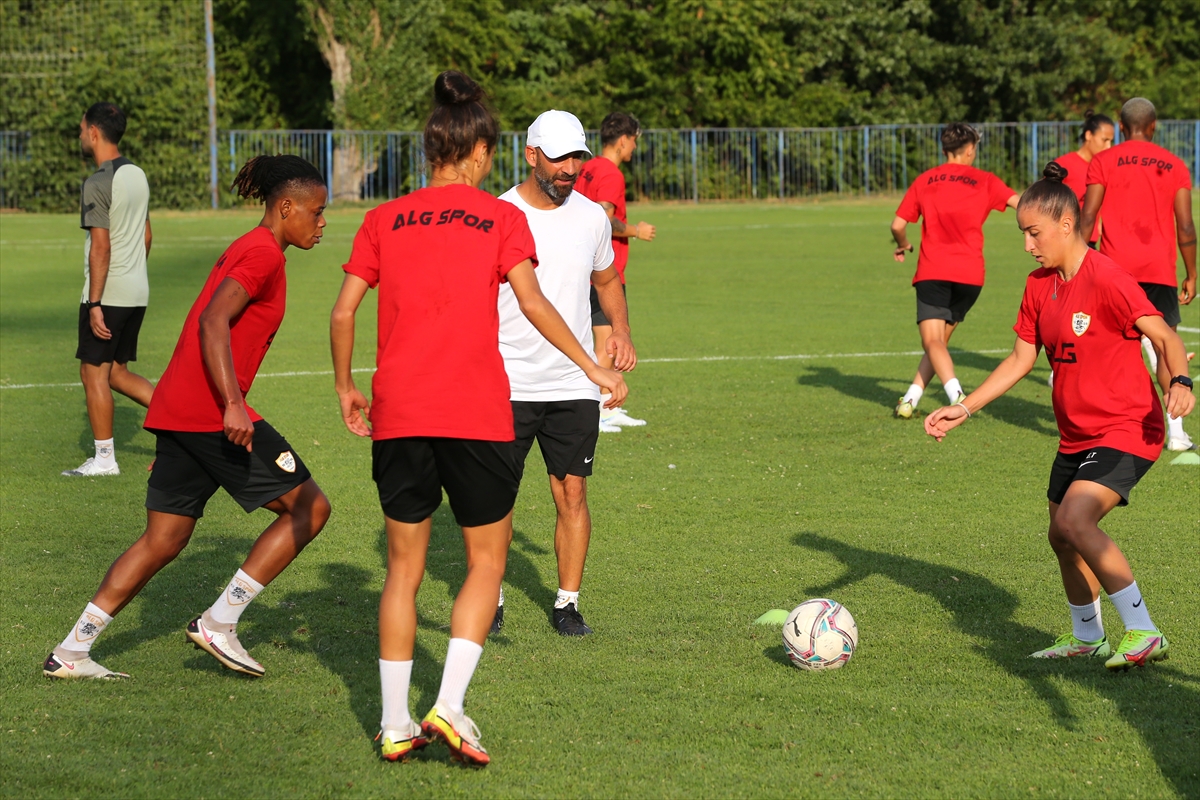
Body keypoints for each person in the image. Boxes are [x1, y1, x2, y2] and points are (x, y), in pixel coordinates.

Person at [330, 72, 627, 767]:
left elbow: (344, 310)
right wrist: (593, 366)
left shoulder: (383, 219)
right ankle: (451, 704)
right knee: (488, 561)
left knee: (402, 571)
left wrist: (347, 386)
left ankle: (395, 722)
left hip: (398, 411)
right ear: (485, 150)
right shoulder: (501, 218)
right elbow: (535, 305)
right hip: (475, 409)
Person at [44, 155, 332, 681]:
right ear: (286, 207)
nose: (322, 222)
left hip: (177, 408)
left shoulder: (253, 245)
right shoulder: (263, 254)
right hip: (207, 414)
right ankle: (220, 623)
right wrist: (232, 402)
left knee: (164, 539)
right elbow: (212, 319)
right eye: (316, 212)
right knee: (309, 508)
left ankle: (71, 651)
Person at [925, 163, 1193, 670]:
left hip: (1128, 428)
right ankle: (1087, 636)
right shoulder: (1037, 286)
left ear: (1066, 225)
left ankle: (1143, 630)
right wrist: (964, 406)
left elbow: (1165, 337)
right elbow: (1021, 359)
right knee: (1059, 535)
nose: (1028, 244)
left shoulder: (1108, 277)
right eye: (1023, 233)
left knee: (1074, 519)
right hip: (1075, 437)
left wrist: (1179, 382)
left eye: (1034, 232)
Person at [494, 109, 636, 637]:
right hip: (506, 381)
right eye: (559, 158)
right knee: (496, 500)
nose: (571, 169)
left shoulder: (592, 218)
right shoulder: (498, 215)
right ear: (531, 155)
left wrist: (620, 331)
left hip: (574, 383)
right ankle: (492, 596)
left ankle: (567, 603)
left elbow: (607, 279)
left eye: (577, 157)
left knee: (572, 492)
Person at [1081, 97, 1197, 451]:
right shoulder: (1175, 165)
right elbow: (1187, 226)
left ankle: (1104, 429)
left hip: (1112, 270)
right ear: (1154, 126)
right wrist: (1192, 274)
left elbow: (1088, 217)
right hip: (1159, 270)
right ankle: (1175, 434)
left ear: (1120, 124)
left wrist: (1076, 265)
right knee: (1166, 348)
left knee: (1107, 352)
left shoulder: (1102, 161)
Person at [890, 123, 1019, 420]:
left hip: (934, 271)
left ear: (944, 148)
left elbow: (897, 225)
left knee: (933, 341)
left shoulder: (925, 180)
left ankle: (957, 395)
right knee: (939, 344)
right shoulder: (985, 180)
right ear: (971, 149)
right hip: (971, 276)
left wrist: (904, 245)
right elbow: (1021, 204)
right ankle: (911, 397)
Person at [64, 102, 155, 477]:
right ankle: (185, 421)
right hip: (136, 291)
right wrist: (132, 274)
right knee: (117, 373)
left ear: (95, 133)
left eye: (82, 129)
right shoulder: (138, 174)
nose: (81, 135)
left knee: (93, 374)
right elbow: (147, 235)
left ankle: (104, 460)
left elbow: (101, 246)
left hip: (109, 294)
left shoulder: (98, 182)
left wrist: (97, 302)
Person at [577, 111, 655, 432]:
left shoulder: (585, 169)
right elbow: (604, 218)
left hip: (582, 266)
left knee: (598, 339)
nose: (634, 149)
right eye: (634, 142)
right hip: (603, 270)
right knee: (608, 341)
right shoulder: (610, 174)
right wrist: (636, 230)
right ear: (623, 140)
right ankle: (597, 410)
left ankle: (605, 406)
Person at [1052, 110, 1114, 249]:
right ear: (1088, 135)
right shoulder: (1064, 165)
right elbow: (1046, 202)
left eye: (1111, 141)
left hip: (1089, 244)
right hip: (1065, 243)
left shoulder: (1105, 169)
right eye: (1105, 140)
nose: (1108, 147)